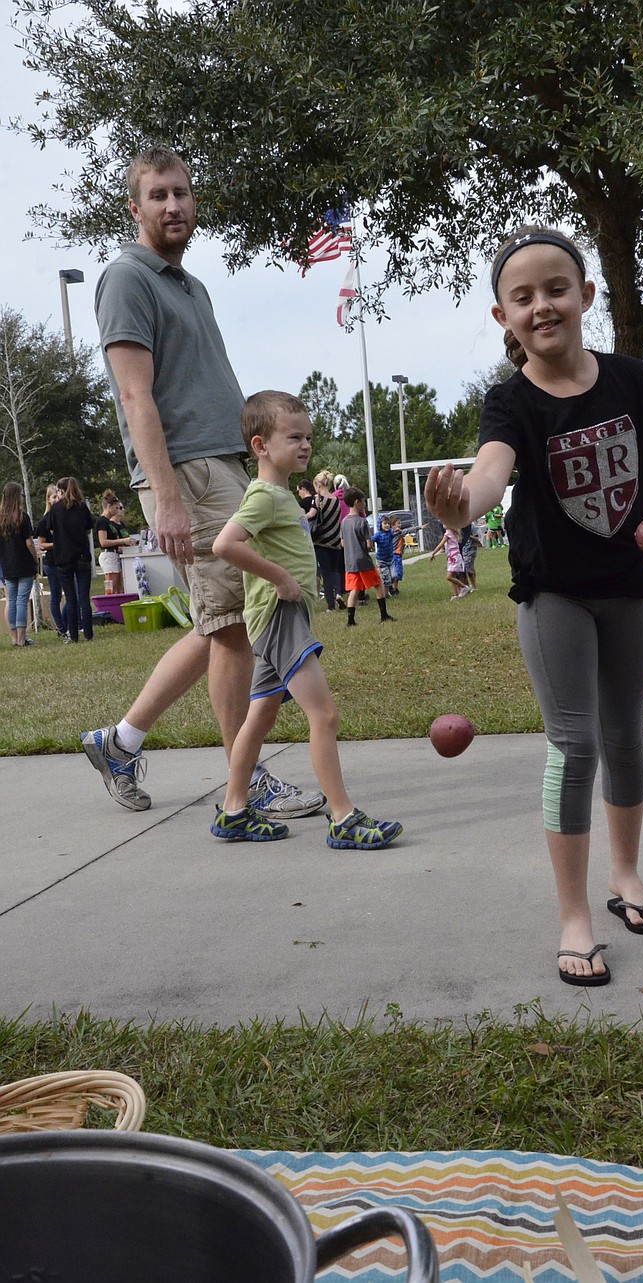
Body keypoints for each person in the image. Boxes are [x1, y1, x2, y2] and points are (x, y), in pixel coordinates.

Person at [425, 225, 643, 986]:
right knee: (575, 745)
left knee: (627, 735)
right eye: (523, 296)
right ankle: (574, 914)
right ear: (503, 315)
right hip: (555, 596)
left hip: (628, 588)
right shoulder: (510, 403)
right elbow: (486, 477)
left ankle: (626, 877)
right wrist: (458, 511)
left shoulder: (632, 379)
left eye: (555, 289)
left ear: (586, 296)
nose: (542, 304)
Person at [81, 145, 323, 819]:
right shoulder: (128, 279)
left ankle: (120, 740)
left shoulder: (190, 284)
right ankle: (244, 781)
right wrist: (165, 496)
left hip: (223, 464)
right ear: (135, 207)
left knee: (223, 621)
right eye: (157, 195)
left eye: (181, 192)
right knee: (237, 631)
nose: (172, 205)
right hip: (186, 470)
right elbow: (136, 398)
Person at [210, 390, 403, 849]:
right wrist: (279, 578)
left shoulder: (282, 497)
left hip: (278, 618)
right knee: (325, 715)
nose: (305, 445)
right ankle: (344, 818)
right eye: (293, 436)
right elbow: (225, 545)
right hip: (280, 618)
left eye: (308, 437)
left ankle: (233, 811)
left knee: (258, 719)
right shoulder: (264, 497)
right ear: (260, 446)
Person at [47, 476, 95, 643]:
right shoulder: (82, 507)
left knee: (70, 597)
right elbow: (89, 528)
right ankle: (88, 633)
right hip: (81, 555)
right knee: (84, 597)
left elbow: (51, 530)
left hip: (63, 556)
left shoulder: (55, 509)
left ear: (60, 490)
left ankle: (73, 635)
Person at [341, 488, 395, 626]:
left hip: (350, 562)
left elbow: (342, 542)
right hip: (363, 561)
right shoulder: (362, 521)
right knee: (378, 585)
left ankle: (350, 619)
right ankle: (384, 615)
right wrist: (365, 546)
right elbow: (369, 544)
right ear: (357, 502)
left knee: (354, 589)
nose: (365, 503)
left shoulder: (344, 522)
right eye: (363, 501)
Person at [0, 481, 38, 647]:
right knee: (22, 600)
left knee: (11, 599)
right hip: (23, 563)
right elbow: (29, 542)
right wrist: (35, 559)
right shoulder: (22, 517)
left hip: (7, 564)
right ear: (18, 496)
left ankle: (14, 637)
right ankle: (22, 638)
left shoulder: (1, 518)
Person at [36, 483, 68, 637]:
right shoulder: (45, 520)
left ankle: (67, 622)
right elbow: (41, 543)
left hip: (66, 559)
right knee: (56, 595)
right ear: (48, 500)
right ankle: (61, 627)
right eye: (53, 497)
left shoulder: (65, 516)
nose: (56, 499)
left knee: (72, 593)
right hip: (52, 562)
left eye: (58, 496)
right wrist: (56, 544)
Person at [311, 470, 345, 611]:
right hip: (335, 540)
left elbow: (312, 514)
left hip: (321, 541)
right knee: (335, 570)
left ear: (318, 484)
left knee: (326, 573)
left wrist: (300, 517)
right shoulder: (336, 500)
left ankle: (331, 606)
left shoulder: (317, 499)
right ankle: (338, 594)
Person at [95, 490, 137, 593]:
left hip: (115, 554)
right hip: (108, 555)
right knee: (112, 587)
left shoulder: (109, 522)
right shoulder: (102, 521)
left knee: (119, 587)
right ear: (109, 507)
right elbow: (103, 542)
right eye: (116, 508)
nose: (117, 510)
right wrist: (122, 540)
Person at [429, 526, 470, 599]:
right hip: (454, 556)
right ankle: (456, 595)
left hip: (453, 557)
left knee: (449, 577)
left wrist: (433, 553)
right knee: (453, 576)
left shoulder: (448, 533)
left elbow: (440, 544)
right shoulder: (453, 532)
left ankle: (464, 587)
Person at [372, 515, 398, 595]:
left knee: (394, 576)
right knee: (386, 580)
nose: (387, 525)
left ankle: (390, 589)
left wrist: (398, 531)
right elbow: (371, 539)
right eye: (385, 523)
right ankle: (385, 595)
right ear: (380, 525)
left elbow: (397, 533)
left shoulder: (390, 532)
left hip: (391, 559)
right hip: (381, 561)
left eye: (388, 523)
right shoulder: (378, 535)